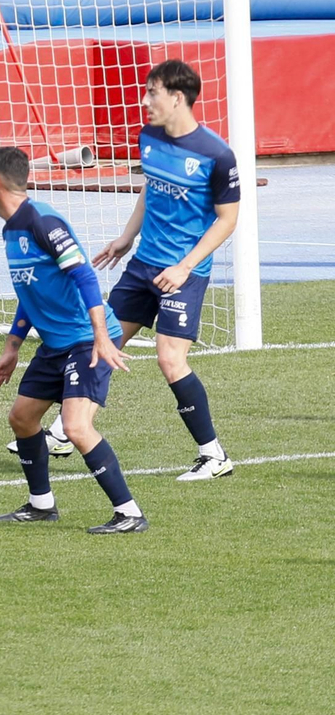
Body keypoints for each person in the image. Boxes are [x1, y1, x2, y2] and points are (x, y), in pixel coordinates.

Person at [0, 146, 147, 534]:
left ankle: (129, 513)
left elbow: (86, 277)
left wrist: (104, 340)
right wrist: (11, 348)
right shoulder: (11, 229)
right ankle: (42, 505)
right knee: (22, 418)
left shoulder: (43, 221)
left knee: (75, 427)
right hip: (55, 344)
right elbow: (31, 292)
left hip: (86, 340)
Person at [89, 59, 240, 481]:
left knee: (170, 359)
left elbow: (227, 219)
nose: (144, 100)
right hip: (143, 265)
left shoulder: (216, 154)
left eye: (152, 92)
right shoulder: (149, 137)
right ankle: (68, 431)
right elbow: (149, 189)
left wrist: (184, 266)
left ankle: (214, 456)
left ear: (177, 97)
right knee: (102, 340)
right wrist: (126, 237)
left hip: (184, 272)